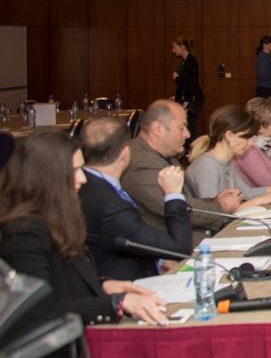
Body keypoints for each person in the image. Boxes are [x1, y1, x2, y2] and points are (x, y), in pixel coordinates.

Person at [0, 132, 169, 333]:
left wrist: (104, 286)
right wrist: (116, 303)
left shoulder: (58, 219)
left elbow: (65, 281)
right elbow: (38, 309)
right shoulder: (24, 233)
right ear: (48, 177)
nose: (83, 178)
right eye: (75, 170)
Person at [78, 117, 191, 281]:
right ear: (125, 152)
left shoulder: (88, 184)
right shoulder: (111, 205)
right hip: (127, 286)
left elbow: (125, 237)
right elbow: (179, 248)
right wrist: (173, 194)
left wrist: (158, 261)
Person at [122, 100, 236, 244]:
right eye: (181, 128)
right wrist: (221, 207)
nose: (188, 134)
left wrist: (215, 202)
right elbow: (176, 207)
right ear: (158, 129)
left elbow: (184, 200)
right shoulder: (142, 163)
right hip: (175, 249)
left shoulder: (164, 157)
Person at [187, 105, 271, 209]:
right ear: (229, 135)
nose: (250, 143)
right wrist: (260, 200)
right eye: (246, 138)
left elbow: (248, 193)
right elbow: (212, 212)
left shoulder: (227, 161)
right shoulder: (207, 165)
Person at [171, 37, 204, 139]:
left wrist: (176, 78)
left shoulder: (190, 61)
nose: (173, 50)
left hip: (193, 99)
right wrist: (177, 97)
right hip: (190, 97)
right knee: (189, 125)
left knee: (189, 126)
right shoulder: (185, 61)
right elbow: (185, 84)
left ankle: (192, 148)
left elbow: (187, 82)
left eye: (175, 47)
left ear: (182, 47)